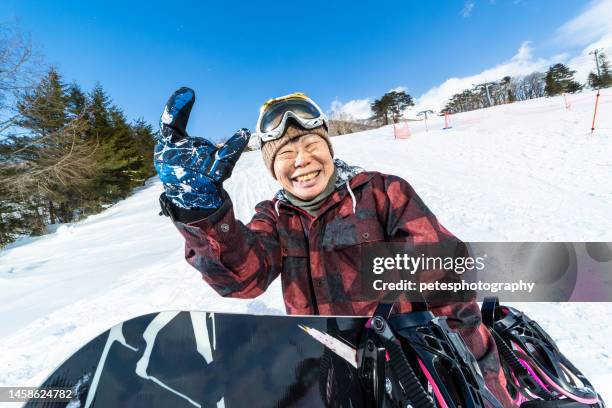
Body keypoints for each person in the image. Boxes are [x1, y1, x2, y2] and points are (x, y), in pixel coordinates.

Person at [154, 87, 515, 406]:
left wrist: (486, 388)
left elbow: (449, 289)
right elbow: (244, 279)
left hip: (405, 379)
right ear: (272, 168)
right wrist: (201, 212)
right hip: (324, 378)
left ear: (328, 148)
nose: (301, 161)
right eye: (285, 154)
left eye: (312, 145)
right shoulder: (275, 217)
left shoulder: (381, 193)